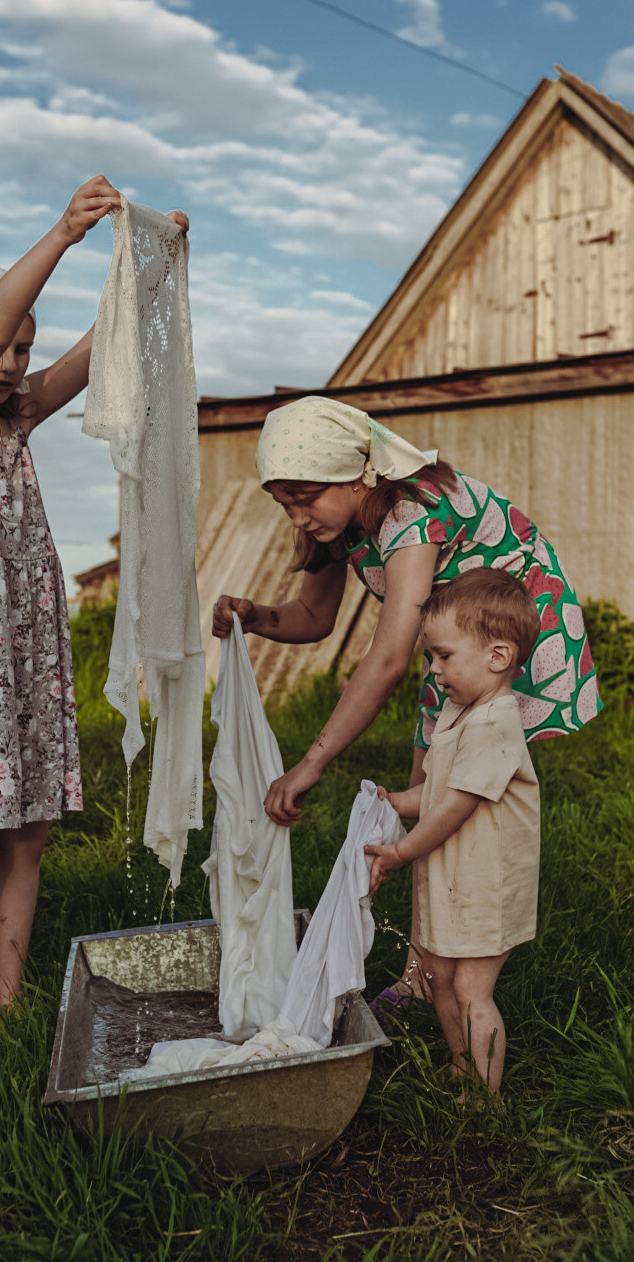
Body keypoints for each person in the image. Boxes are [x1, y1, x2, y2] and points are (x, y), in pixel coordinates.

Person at [0, 176, 188, 1056]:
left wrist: (151, 267)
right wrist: (61, 233)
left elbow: (103, 349)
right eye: (3, 346)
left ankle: (5, 1010)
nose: (14, 360)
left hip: (24, 651)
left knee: (28, 835)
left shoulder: (14, 425)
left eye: (24, 347)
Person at [212, 396, 600, 1006]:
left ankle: (458, 964)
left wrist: (311, 762)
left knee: (461, 802)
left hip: (506, 641)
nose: (295, 518)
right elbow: (315, 617)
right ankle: (428, 973)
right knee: (432, 798)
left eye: (304, 497)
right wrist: (255, 616)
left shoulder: (409, 515)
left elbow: (389, 656)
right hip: (454, 650)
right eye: (282, 503)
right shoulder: (342, 523)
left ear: (357, 474)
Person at [363, 569, 542, 1096]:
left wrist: (397, 851)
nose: (435, 670)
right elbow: (439, 790)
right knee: (439, 975)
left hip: (487, 883)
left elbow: (452, 811)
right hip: (453, 876)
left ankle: (484, 1101)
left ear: (497, 657)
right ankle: (463, 1062)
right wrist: (398, 801)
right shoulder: (460, 711)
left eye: (444, 656)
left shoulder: (494, 724)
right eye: (430, 657)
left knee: (469, 986)